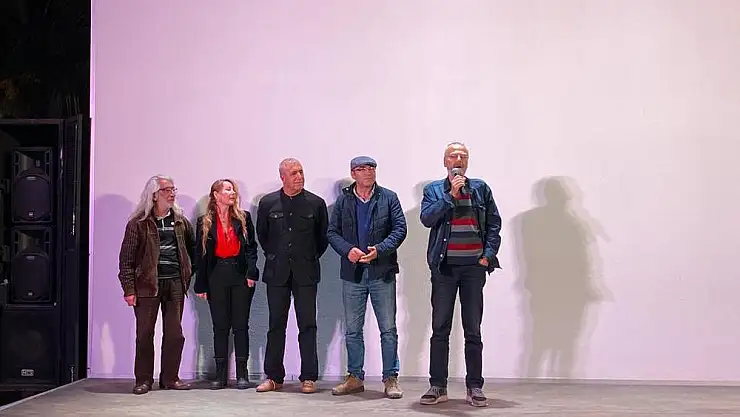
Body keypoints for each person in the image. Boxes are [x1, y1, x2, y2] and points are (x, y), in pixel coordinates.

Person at [419, 142, 502, 407]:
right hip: (444, 268)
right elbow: (427, 219)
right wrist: (450, 196)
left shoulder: (480, 188)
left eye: (463, 156)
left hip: (473, 269)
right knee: (440, 328)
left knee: (473, 329)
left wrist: (487, 256)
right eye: (453, 156)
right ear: (445, 161)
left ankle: (474, 386)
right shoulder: (434, 190)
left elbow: (494, 224)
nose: (458, 159)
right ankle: (438, 385)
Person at [326, 156, 407, 398]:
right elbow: (332, 232)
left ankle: (390, 378)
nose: (369, 172)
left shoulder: (389, 197)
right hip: (353, 274)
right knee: (353, 330)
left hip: (382, 272)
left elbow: (400, 229)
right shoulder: (343, 200)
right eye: (362, 169)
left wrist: (379, 250)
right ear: (353, 173)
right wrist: (347, 250)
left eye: (372, 168)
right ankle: (354, 377)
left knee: (388, 329)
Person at [255, 158, 329, 394]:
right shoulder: (268, 203)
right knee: (276, 325)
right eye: (294, 173)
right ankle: (274, 377)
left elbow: (322, 239)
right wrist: (277, 256)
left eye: (301, 172)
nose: (299, 176)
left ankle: (308, 377)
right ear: (282, 177)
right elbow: (263, 236)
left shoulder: (316, 203)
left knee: (307, 325)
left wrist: (306, 257)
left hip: (306, 273)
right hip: (277, 273)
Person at [117, 175, 195, 395]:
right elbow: (126, 259)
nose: (172, 194)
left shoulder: (180, 222)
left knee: (175, 334)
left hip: (175, 284)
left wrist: (187, 275)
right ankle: (143, 380)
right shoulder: (138, 223)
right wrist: (129, 289)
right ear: (153, 195)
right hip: (147, 285)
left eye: (173, 189)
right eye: (166, 190)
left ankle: (170, 377)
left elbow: (192, 251)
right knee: (144, 334)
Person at [193, 179, 259, 389]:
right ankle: (220, 375)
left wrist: (251, 273)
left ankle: (242, 374)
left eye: (233, 190)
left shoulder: (243, 218)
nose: (232, 193)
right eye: (228, 190)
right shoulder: (204, 221)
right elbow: (200, 256)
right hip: (216, 276)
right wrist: (201, 284)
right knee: (220, 326)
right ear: (216, 194)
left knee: (241, 326)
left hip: (239, 275)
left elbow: (251, 248)